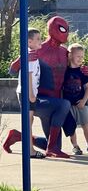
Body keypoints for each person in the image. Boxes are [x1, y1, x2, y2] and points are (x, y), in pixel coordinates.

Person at [3, 16, 84, 158]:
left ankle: (17, 136)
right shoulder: (37, 49)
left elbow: (73, 69)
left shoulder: (64, 52)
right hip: (38, 99)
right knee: (63, 108)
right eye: (62, 29)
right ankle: (51, 147)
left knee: (51, 143)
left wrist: (83, 72)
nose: (65, 32)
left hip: (54, 103)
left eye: (66, 29)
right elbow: (12, 70)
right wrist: (22, 59)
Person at [3, 28, 45, 159]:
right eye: (37, 39)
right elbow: (29, 75)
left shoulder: (31, 54)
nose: (40, 41)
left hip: (27, 92)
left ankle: (16, 138)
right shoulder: (30, 56)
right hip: (27, 93)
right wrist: (31, 95)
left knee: (29, 121)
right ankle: (30, 151)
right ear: (29, 41)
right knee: (28, 121)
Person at [63, 43, 88, 155]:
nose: (80, 59)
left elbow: (87, 87)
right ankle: (75, 146)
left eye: (82, 56)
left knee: (85, 125)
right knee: (71, 126)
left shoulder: (82, 72)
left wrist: (83, 101)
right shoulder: (64, 71)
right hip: (68, 104)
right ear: (69, 55)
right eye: (78, 56)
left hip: (81, 103)